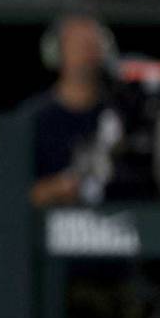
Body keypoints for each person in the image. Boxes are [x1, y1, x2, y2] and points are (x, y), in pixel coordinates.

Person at [26, 15, 117, 207]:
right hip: (51, 225)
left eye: (92, 45)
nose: (86, 53)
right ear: (57, 52)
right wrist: (55, 189)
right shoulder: (33, 118)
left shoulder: (120, 111)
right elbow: (12, 191)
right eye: (77, 45)